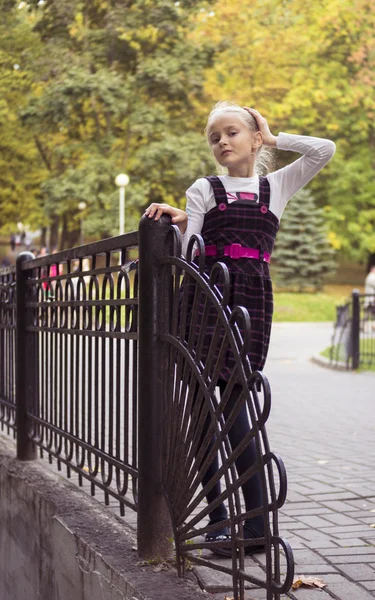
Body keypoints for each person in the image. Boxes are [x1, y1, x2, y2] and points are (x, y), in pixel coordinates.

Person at [144, 101, 336, 556]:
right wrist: (184, 224)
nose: (222, 142)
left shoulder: (277, 185)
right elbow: (192, 249)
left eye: (232, 132)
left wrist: (274, 138)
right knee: (200, 409)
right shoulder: (203, 188)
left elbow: (323, 150)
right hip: (205, 298)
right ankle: (215, 522)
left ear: (252, 138)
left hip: (251, 302)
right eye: (214, 137)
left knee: (234, 407)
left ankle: (253, 524)